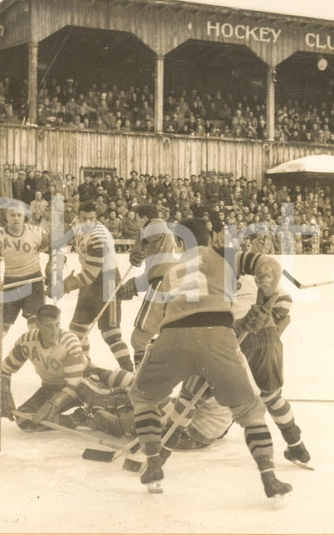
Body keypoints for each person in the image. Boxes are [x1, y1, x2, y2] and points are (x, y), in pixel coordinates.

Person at [128, 217, 292, 499]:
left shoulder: (171, 270)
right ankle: (269, 477)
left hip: (172, 337)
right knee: (250, 411)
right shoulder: (224, 254)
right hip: (216, 336)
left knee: (143, 398)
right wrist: (263, 304)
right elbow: (270, 267)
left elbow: (150, 325)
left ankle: (153, 463)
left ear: (180, 243)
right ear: (212, 235)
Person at [162, 275, 311, 468]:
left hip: (226, 336)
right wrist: (270, 324)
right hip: (267, 335)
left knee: (189, 397)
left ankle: (158, 455)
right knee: (272, 397)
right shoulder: (253, 271)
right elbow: (284, 301)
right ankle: (298, 448)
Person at [0, 304, 133, 431]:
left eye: (57, 325)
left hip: (84, 381)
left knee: (128, 383)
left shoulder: (69, 341)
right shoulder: (26, 341)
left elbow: (74, 384)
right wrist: (5, 392)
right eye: (49, 327)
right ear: (38, 325)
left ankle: (117, 410)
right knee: (24, 420)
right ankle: (78, 419)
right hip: (52, 388)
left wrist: (53, 404)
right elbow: (4, 370)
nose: (54, 331)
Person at [54, 201, 134, 372]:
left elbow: (91, 274)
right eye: (84, 218)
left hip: (107, 282)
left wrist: (65, 286)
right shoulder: (77, 223)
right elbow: (62, 239)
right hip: (88, 283)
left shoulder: (99, 236)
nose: (87, 223)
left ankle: (129, 371)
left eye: (92, 219)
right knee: (77, 330)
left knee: (110, 333)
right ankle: (85, 369)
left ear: (97, 218)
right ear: (79, 216)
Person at [0, 201, 49, 379]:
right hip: (8, 286)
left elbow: (55, 251)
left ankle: (46, 370)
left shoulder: (37, 233)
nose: (16, 218)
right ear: (6, 217)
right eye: (12, 215)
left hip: (34, 284)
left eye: (19, 215)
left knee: (36, 330)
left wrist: (54, 268)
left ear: (24, 217)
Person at [117, 204, 179, 365]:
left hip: (163, 287)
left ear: (145, 218)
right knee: (154, 338)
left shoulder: (157, 224)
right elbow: (154, 273)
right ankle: (153, 372)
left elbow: (157, 227)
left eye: (136, 218)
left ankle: (144, 380)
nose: (134, 222)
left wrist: (139, 244)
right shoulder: (158, 242)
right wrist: (134, 285)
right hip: (167, 285)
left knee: (139, 339)